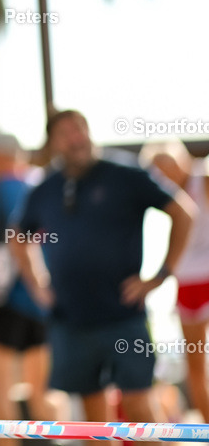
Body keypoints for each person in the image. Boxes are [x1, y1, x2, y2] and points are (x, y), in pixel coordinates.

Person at [11, 110, 193, 423]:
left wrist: (160, 275)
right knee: (94, 422)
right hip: (70, 319)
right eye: (66, 132)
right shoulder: (46, 188)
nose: (76, 137)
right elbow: (17, 237)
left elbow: (183, 212)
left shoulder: (125, 174)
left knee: (139, 413)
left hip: (125, 314)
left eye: (80, 128)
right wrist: (37, 284)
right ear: (53, 143)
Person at [0, 133, 57, 439]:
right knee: (42, 395)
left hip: (3, 302)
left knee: (1, 396)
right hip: (43, 299)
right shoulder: (43, 187)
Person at [140, 139, 209, 421]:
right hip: (186, 284)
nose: (163, 176)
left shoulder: (203, 180)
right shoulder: (164, 196)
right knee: (195, 362)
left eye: (166, 168)